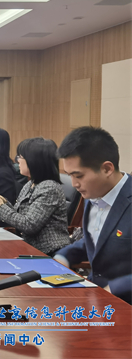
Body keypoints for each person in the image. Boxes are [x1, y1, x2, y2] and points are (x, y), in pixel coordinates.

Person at [53, 126, 131, 304]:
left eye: (78, 176)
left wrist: (115, 287)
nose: (74, 184)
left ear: (107, 169)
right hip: (95, 297)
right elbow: (97, 240)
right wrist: (64, 256)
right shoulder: (93, 194)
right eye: (69, 175)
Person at [0, 137, 71, 256]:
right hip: (29, 247)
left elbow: (29, 225)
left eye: (20, 157)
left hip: (48, 252)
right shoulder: (30, 183)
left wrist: (1, 207)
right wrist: (3, 202)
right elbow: (20, 216)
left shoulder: (49, 188)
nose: (17, 160)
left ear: (34, 161)